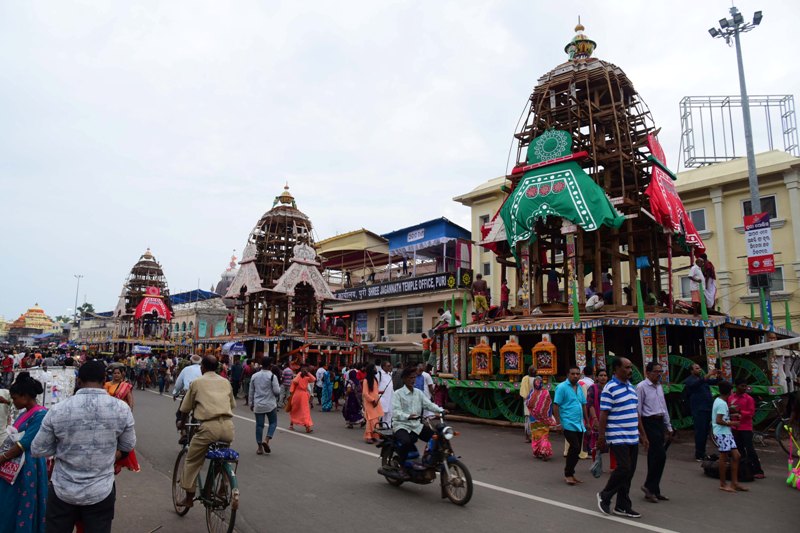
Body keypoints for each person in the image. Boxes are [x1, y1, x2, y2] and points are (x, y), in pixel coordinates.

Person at [32, 360, 136, 532]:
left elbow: (38, 449)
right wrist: (107, 455)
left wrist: (65, 449)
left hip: (63, 490)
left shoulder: (58, 409)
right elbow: (127, 446)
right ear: (104, 381)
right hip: (101, 490)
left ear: (78, 381)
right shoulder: (121, 409)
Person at [175, 355, 236, 508]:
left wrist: (182, 423)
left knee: (192, 460)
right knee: (221, 457)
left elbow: (185, 408)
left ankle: (189, 498)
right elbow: (232, 404)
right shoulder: (225, 382)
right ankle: (222, 485)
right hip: (228, 427)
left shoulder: (197, 382)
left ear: (202, 367)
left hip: (209, 427)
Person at [596, 357, 648, 519]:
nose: (630, 370)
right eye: (626, 367)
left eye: (631, 367)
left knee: (629, 472)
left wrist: (643, 435)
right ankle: (604, 495)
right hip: (617, 435)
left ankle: (622, 506)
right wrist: (601, 437)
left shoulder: (631, 388)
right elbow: (603, 414)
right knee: (624, 468)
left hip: (632, 436)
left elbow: (636, 413)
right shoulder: (609, 388)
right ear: (616, 369)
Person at [0, 373, 48, 533]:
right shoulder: (24, 412)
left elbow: (24, 443)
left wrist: (3, 457)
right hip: (14, 463)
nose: (13, 401)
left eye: (14, 398)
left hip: (28, 466)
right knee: (10, 501)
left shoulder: (41, 414)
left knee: (23, 502)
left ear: (25, 396)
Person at [392, 367, 445, 478]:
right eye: (410, 378)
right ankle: (402, 467)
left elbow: (428, 404)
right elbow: (396, 412)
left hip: (416, 425)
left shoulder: (418, 393)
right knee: (406, 442)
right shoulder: (398, 394)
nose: (413, 380)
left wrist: (440, 410)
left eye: (414, 377)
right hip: (401, 425)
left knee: (435, 437)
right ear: (404, 379)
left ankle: (428, 460)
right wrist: (407, 416)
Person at [636, 362, 673, 503]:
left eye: (660, 371)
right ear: (648, 373)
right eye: (656, 371)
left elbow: (663, 407)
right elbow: (637, 411)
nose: (659, 374)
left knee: (655, 458)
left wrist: (668, 427)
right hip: (648, 423)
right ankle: (648, 486)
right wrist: (642, 434)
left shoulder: (659, 387)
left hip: (659, 422)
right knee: (660, 455)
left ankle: (654, 490)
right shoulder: (641, 387)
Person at [554, 366, 587, 485]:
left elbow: (583, 405)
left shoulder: (580, 388)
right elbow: (556, 405)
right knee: (575, 447)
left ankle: (571, 473)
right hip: (567, 423)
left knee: (577, 450)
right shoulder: (562, 387)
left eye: (578, 374)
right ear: (568, 374)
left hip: (579, 423)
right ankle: (568, 474)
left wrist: (587, 421)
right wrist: (558, 423)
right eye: (573, 374)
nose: (575, 376)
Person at [104, 367, 141, 474]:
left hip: (121, 415)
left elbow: (130, 400)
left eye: (118, 373)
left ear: (122, 374)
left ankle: (118, 463)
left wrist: (129, 413)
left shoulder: (126, 386)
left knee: (122, 440)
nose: (116, 375)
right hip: (109, 415)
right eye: (114, 373)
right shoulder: (107, 385)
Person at [713, 381, 748, 493]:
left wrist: (731, 415)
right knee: (723, 458)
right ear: (730, 391)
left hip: (725, 432)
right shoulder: (722, 404)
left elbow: (721, 417)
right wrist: (733, 423)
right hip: (722, 432)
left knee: (736, 456)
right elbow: (718, 420)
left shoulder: (719, 401)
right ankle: (723, 484)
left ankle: (734, 483)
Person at [728, 378, 764, 479]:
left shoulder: (749, 399)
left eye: (745, 386)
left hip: (746, 427)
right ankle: (745, 469)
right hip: (735, 427)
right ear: (736, 386)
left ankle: (758, 470)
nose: (744, 388)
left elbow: (751, 413)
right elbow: (729, 410)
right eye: (742, 386)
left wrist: (740, 412)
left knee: (750, 450)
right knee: (739, 449)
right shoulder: (731, 398)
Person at [683, 363, 719, 461]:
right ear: (691, 371)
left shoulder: (703, 380)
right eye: (697, 368)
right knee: (700, 432)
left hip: (707, 408)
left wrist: (718, 375)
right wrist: (709, 374)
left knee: (705, 432)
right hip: (699, 410)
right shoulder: (689, 380)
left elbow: (715, 381)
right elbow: (697, 383)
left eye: (700, 368)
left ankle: (702, 453)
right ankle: (699, 454)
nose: (699, 369)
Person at [249, 357, 281, 455]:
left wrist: (251, 403)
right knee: (273, 423)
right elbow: (277, 391)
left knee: (259, 426)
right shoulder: (272, 376)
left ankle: (259, 448)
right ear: (270, 365)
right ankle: (266, 439)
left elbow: (251, 391)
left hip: (258, 404)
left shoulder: (255, 376)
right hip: (270, 404)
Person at [586, 368, 614, 469]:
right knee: (596, 443)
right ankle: (596, 464)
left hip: (610, 419)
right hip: (597, 417)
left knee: (612, 442)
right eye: (601, 375)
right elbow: (590, 405)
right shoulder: (592, 388)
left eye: (605, 375)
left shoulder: (610, 388)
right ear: (596, 377)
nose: (603, 377)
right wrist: (595, 419)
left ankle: (613, 466)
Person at [526, 375, 555, 460]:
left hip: (533, 419)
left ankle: (537, 451)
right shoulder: (546, 392)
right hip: (544, 419)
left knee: (536, 435)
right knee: (544, 435)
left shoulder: (532, 392)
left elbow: (528, 403)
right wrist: (548, 416)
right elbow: (549, 405)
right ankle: (544, 452)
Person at [289, 364, 316, 433]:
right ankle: (307, 427)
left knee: (295, 409)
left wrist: (301, 373)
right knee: (305, 411)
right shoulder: (305, 378)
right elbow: (314, 379)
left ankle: (292, 425)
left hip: (297, 395)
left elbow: (294, 382)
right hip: (303, 395)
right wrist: (305, 373)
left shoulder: (300, 377)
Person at [362, 364, 384, 444]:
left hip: (376, 402)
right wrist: (372, 400)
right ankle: (368, 436)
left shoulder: (374, 379)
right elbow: (365, 393)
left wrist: (380, 393)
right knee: (370, 420)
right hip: (370, 403)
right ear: (371, 370)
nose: (376, 369)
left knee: (375, 419)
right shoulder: (366, 380)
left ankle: (375, 436)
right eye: (374, 368)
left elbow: (375, 391)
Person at [519, 365, 537, 443]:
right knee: (534, 419)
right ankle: (533, 436)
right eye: (535, 370)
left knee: (527, 418)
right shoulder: (537, 380)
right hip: (535, 400)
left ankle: (527, 436)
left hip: (527, 400)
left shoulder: (525, 379)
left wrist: (525, 400)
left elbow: (523, 391)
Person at [377, 360, 394, 425]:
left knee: (389, 414)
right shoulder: (379, 374)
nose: (390, 367)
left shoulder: (389, 374)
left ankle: (387, 428)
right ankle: (376, 428)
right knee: (380, 415)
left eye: (390, 365)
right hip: (382, 398)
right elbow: (376, 386)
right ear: (383, 367)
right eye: (388, 366)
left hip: (390, 398)